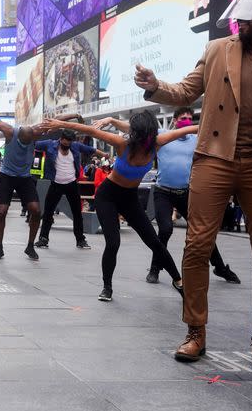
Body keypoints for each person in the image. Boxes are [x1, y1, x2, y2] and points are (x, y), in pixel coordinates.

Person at [135, 0, 252, 374]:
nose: (238, 23)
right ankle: (195, 330)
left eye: (246, 18)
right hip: (215, 157)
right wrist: (155, 86)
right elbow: (186, 90)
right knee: (197, 244)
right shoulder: (219, 49)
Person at [43, 112, 188, 301]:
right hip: (108, 196)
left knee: (154, 241)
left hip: (129, 198)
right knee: (113, 242)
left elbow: (191, 128)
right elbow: (89, 130)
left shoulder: (158, 141)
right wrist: (59, 123)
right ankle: (107, 287)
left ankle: (178, 281)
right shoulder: (122, 144)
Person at [95, 108, 241, 284]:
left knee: (201, 231)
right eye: (183, 118)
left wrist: (227, 127)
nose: (187, 120)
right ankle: (155, 269)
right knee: (165, 229)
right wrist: (111, 119)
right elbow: (133, 128)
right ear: (174, 120)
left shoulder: (196, 141)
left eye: (189, 117)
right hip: (163, 192)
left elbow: (200, 131)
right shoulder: (160, 136)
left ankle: (219, 267)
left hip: (184, 192)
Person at [0, 105, 80, 261]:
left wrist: (74, 115)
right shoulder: (8, 131)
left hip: (24, 177)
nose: (29, 143)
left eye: (31, 141)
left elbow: (55, 121)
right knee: (1, 211)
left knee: (36, 210)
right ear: (18, 137)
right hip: (7, 176)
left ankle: (30, 246)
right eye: (26, 141)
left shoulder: (35, 132)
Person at [32, 129, 107, 250]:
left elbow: (91, 150)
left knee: (77, 213)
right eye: (65, 143)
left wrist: (104, 155)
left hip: (72, 184)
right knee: (48, 212)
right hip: (56, 184)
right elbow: (33, 143)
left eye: (69, 143)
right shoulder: (49, 144)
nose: (67, 145)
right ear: (61, 139)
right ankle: (43, 239)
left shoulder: (75, 146)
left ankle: (80, 240)